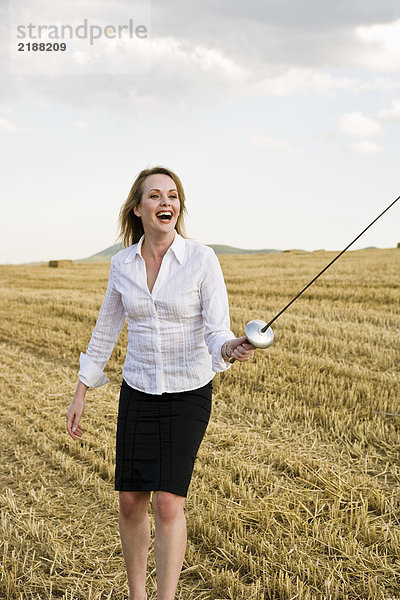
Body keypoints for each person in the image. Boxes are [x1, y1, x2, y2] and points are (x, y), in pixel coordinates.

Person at [66, 166, 256, 600]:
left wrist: (229, 348)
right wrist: (81, 392)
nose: (166, 202)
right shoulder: (122, 265)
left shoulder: (202, 259)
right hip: (139, 390)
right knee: (130, 501)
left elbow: (215, 331)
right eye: (155, 196)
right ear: (138, 209)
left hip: (188, 391)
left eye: (172, 195)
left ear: (178, 207)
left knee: (167, 502)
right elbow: (105, 331)